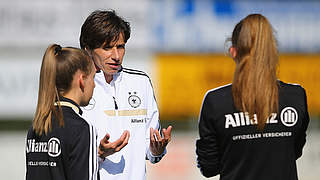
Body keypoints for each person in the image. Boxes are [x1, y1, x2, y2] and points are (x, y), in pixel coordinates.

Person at [196, 14, 309, 180]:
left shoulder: (216, 101)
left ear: (233, 52)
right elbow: (294, 151)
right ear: (272, 50)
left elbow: (209, 167)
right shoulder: (296, 96)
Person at [79, 10, 172, 180]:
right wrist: (99, 153)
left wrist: (156, 149)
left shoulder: (141, 82)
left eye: (120, 47)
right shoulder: (77, 87)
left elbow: (151, 152)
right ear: (88, 49)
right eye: (107, 47)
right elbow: (68, 158)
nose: (116, 56)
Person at [25, 44, 98, 180]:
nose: (94, 84)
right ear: (82, 80)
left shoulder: (37, 125)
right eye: (93, 77)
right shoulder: (82, 129)